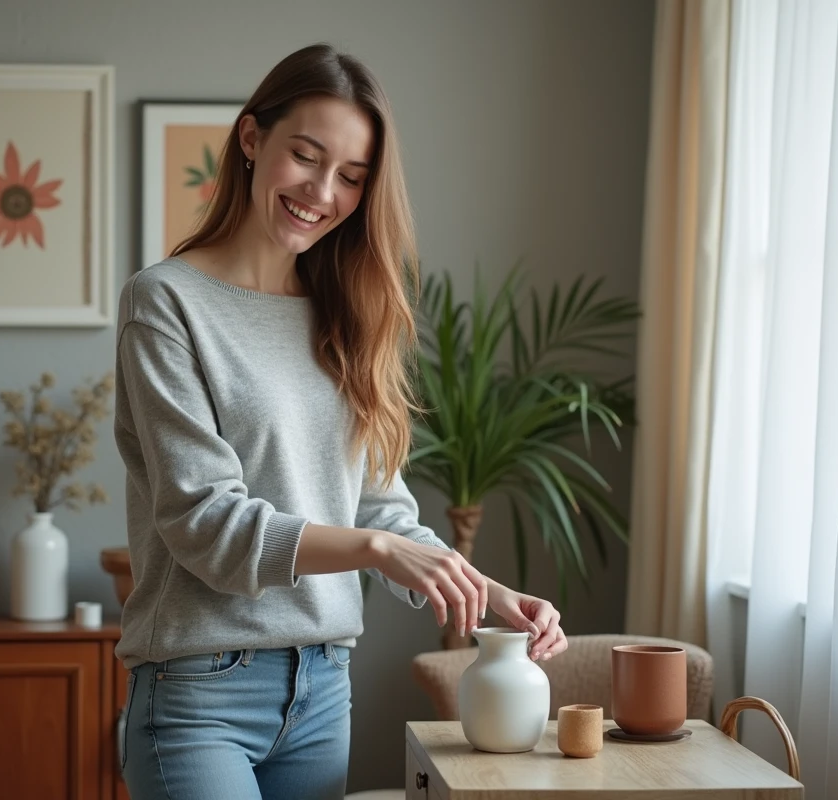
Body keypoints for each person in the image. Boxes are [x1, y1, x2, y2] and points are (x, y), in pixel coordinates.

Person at [113, 42, 569, 800]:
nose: (323, 191)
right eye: (307, 156)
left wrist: (491, 596)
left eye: (352, 177)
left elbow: (383, 513)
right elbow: (205, 524)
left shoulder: (348, 316)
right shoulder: (165, 303)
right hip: (200, 695)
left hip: (323, 689)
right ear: (253, 140)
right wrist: (377, 549)